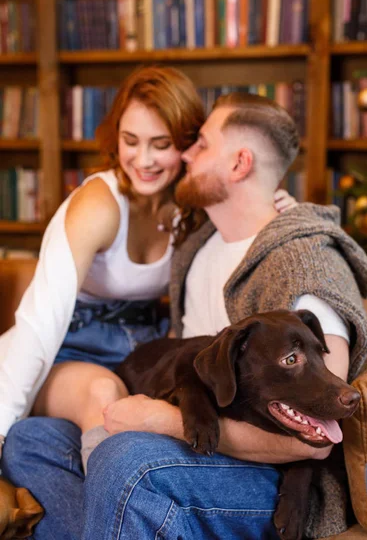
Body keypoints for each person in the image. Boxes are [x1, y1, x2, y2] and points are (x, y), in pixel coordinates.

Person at [0, 73, 295, 538]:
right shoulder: (97, 204)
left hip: (147, 346)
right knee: (105, 400)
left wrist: (281, 206)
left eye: (161, 144)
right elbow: (40, 321)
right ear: (114, 137)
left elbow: (250, 214)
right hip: (71, 347)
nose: (143, 159)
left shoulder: (192, 204)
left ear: (187, 144)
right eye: (130, 141)